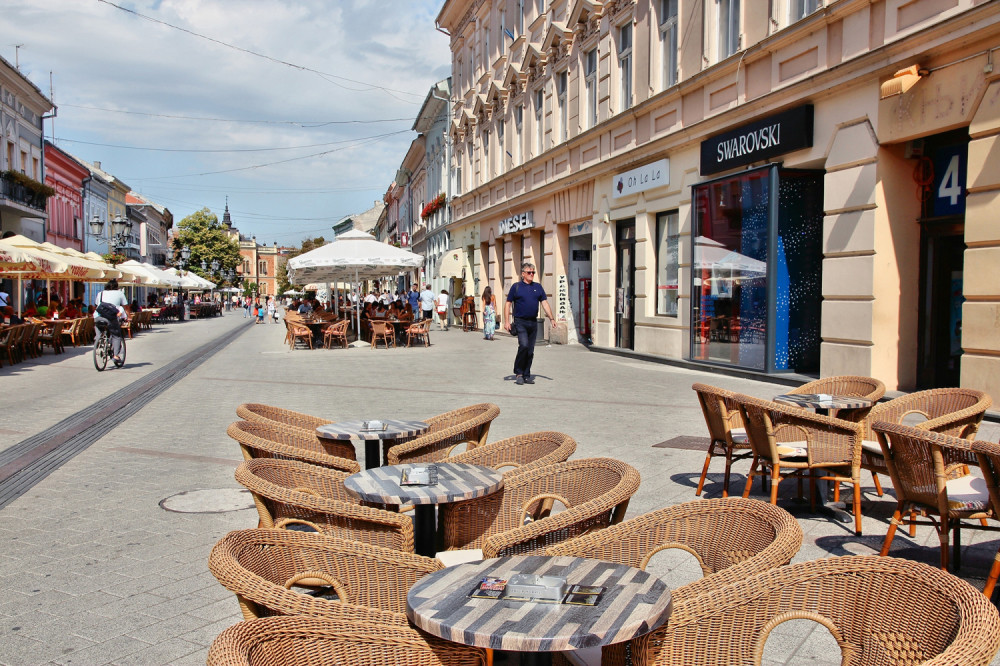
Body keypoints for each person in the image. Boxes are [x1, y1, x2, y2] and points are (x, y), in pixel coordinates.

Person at [504, 261, 556, 385]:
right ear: (523, 274)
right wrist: (507, 321)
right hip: (520, 322)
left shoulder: (538, 287)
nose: (532, 274)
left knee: (530, 350)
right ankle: (519, 373)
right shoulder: (516, 287)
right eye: (529, 272)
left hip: (533, 322)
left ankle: (526, 374)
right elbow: (508, 304)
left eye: (533, 272)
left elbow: (544, 303)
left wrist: (552, 318)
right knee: (524, 345)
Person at [94, 278, 128, 364]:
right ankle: (116, 356)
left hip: (98, 317)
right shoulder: (120, 294)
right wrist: (129, 317)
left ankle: (99, 341)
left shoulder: (100, 293)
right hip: (111, 318)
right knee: (116, 335)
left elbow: (96, 306)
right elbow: (126, 307)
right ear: (117, 287)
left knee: (99, 328)